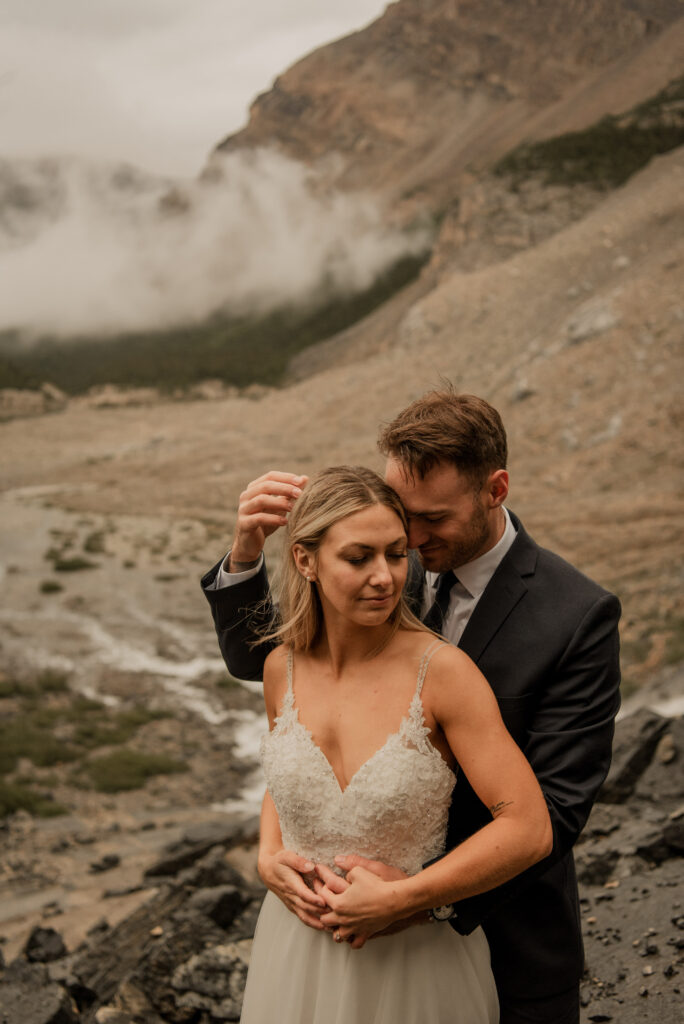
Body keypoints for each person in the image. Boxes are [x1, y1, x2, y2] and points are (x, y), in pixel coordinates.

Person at [201, 389, 622, 1024]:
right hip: (313, 943)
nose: (408, 548)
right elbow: (287, 705)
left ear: (495, 489)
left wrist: (416, 901)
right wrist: (244, 555)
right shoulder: (383, 561)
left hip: (502, 935)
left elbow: (554, 812)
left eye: (429, 522)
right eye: (402, 520)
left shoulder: (576, 616)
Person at [236, 464, 551, 1023]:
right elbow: (286, 780)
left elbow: (528, 827)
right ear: (305, 560)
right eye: (359, 558)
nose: (386, 577)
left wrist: (407, 898)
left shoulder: (443, 673)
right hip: (293, 954)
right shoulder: (279, 667)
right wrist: (267, 856)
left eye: (397, 554)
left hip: (413, 966)